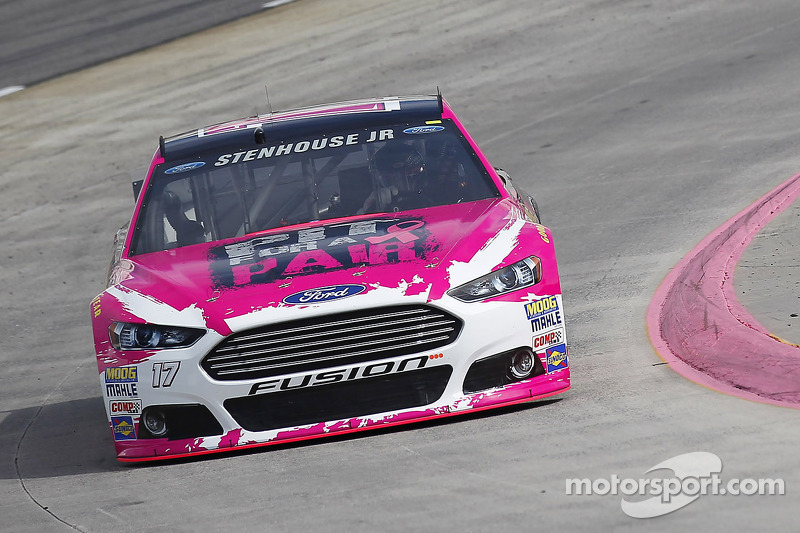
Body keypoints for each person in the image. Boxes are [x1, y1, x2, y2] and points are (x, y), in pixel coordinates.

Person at [359, 143, 427, 213]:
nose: (400, 183)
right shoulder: (376, 203)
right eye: (391, 177)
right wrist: (368, 210)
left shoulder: (434, 200)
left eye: (410, 172)